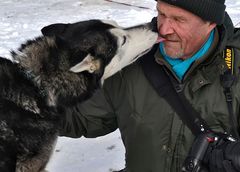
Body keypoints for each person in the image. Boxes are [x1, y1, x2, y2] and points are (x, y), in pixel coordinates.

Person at [59, 0, 240, 171]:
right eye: (161, 13)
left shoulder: (235, 67)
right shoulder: (129, 60)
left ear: (210, 23)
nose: (164, 29)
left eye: (179, 19)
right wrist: (38, 92)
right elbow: (77, 116)